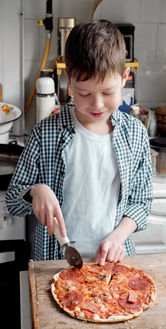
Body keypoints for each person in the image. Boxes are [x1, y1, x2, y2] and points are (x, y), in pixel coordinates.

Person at [6, 20, 153, 265]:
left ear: (125, 77)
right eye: (84, 93)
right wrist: (36, 191)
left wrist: (118, 237)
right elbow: (13, 200)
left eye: (107, 92)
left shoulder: (135, 134)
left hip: (111, 263)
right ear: (69, 80)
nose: (97, 104)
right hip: (54, 261)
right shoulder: (46, 133)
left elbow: (142, 202)